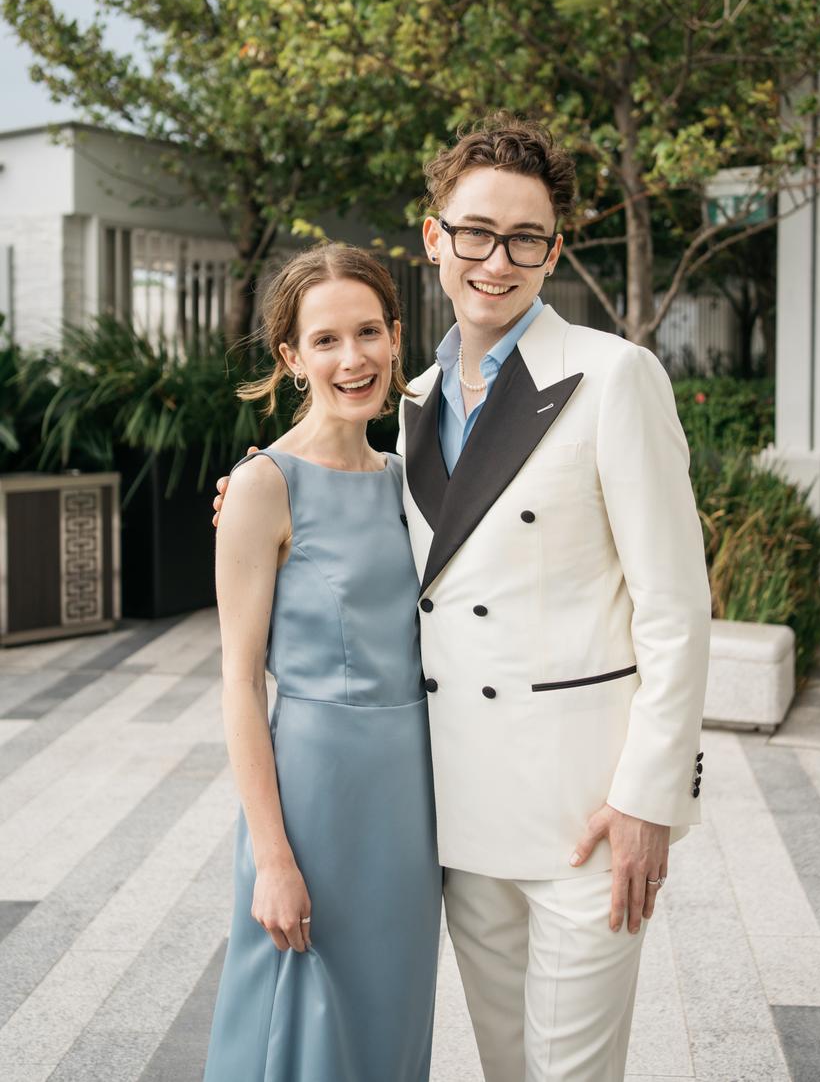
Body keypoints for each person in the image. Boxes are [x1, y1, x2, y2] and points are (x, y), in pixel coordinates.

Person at [215, 115, 711, 1082]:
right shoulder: (412, 404)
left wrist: (651, 798)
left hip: (586, 817)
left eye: (526, 239)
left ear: (553, 252)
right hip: (460, 823)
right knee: (504, 1065)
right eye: (477, 232)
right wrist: (255, 493)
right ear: (436, 237)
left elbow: (676, 607)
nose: (497, 260)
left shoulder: (614, 376)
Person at [203, 245, 441, 1082]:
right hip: (314, 797)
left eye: (369, 332)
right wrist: (273, 860)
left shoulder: (411, 481)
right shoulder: (262, 485)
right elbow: (239, 683)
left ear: (396, 337)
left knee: (390, 1025)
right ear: (292, 357)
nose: (354, 359)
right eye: (327, 340)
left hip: (410, 802)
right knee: (302, 1021)